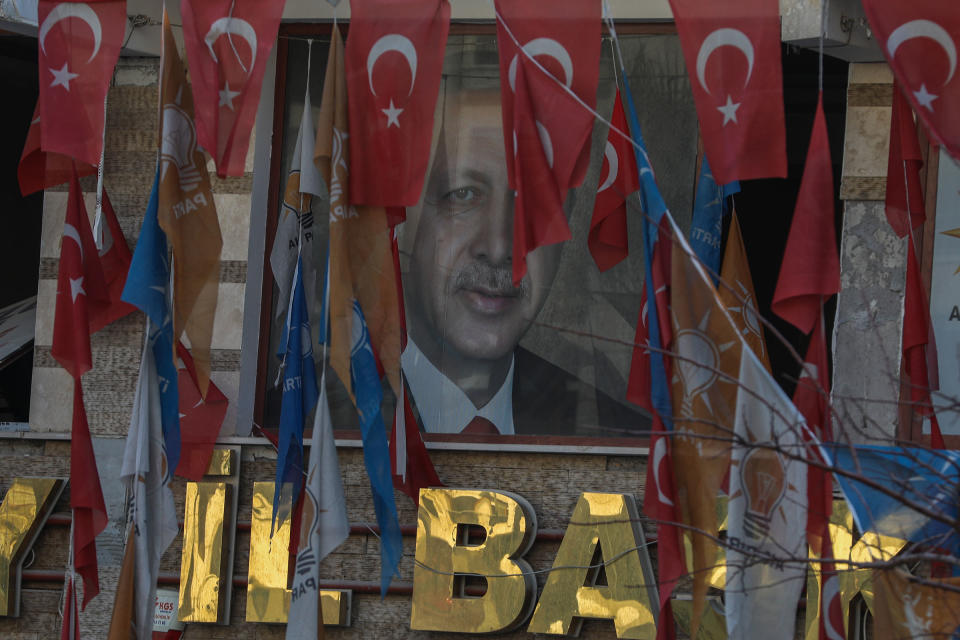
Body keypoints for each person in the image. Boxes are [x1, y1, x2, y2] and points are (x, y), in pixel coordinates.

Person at [399, 78, 649, 437]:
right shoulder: (312, 413)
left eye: (534, 203)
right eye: (464, 194)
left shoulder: (618, 437)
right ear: (402, 219)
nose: (501, 247)